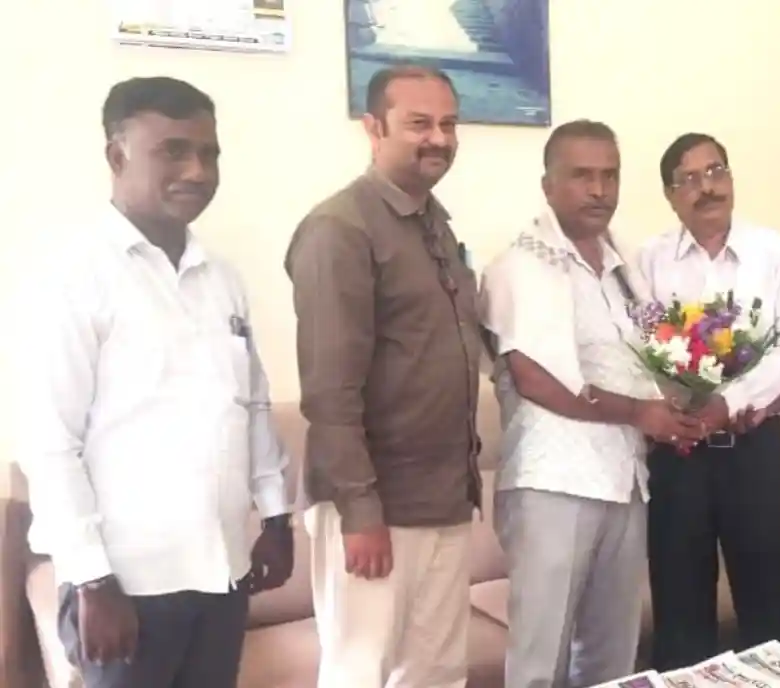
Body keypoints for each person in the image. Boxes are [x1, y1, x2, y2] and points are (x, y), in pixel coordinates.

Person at [11, 76, 293, 688]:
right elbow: (51, 445)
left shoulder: (222, 279)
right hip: (126, 587)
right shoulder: (74, 279)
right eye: (173, 151)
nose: (198, 171)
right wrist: (91, 579)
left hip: (221, 574)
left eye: (210, 154)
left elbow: (252, 406)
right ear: (117, 156)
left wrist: (276, 519)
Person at [479, 121, 704, 688]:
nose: (599, 190)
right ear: (549, 185)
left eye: (610, 176)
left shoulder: (624, 267)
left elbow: (648, 358)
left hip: (625, 479)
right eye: (582, 176)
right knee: (540, 661)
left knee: (611, 657)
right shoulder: (520, 265)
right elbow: (534, 378)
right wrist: (640, 413)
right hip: (553, 484)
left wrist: (681, 401)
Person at [285, 64, 482, 688]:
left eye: (448, 124)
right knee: (360, 673)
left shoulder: (435, 225)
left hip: (444, 499)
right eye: (419, 123)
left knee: (437, 675)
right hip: (376, 511)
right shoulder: (340, 229)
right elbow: (330, 392)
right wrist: (360, 513)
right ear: (373, 129)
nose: (439, 138)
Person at [639, 133, 780, 670]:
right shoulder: (648, 260)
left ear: (731, 178)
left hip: (752, 446)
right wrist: (672, 406)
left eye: (715, 172)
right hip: (678, 452)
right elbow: (636, 348)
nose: (707, 188)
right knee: (680, 610)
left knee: (768, 609)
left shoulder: (775, 253)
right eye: (689, 179)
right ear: (671, 196)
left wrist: (729, 402)